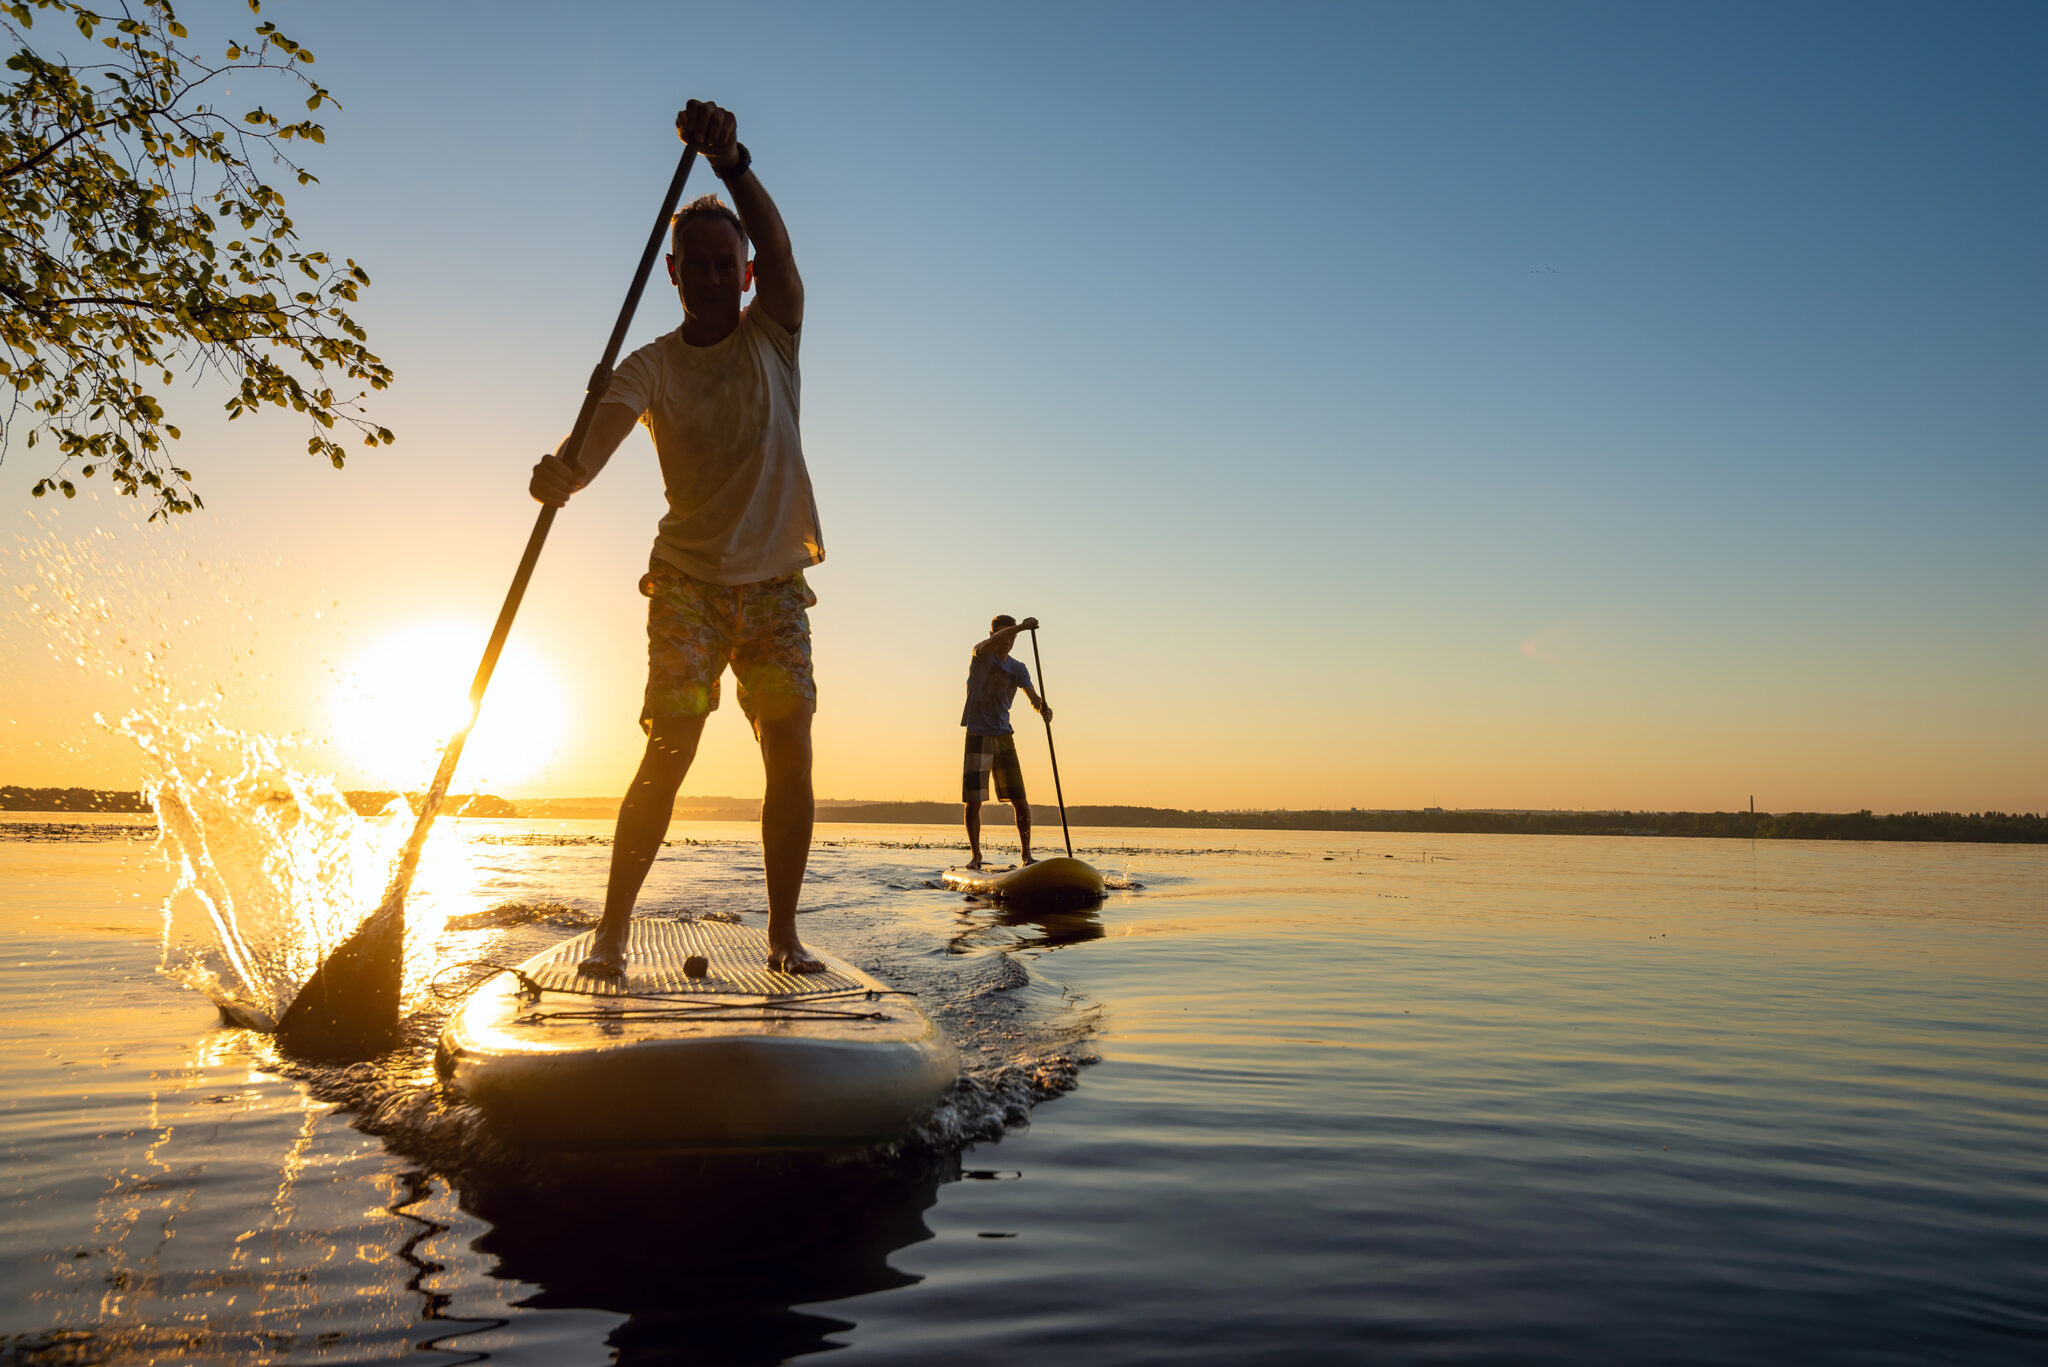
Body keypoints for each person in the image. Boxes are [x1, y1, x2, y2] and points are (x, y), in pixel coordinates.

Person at [530, 100, 824, 977]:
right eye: (691, 263)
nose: (706, 273)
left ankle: (782, 935)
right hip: (689, 583)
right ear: (671, 272)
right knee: (673, 743)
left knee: (791, 745)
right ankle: (614, 933)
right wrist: (565, 473)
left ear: (743, 274)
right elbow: (594, 444)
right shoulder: (649, 364)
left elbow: (781, 250)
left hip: (774, 583)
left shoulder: (776, 331)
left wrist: (732, 164)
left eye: (721, 262)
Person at [961, 615, 1051, 869]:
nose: (1008, 642)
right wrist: (1021, 627)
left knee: (1020, 798)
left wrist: (1043, 709)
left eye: (1013, 638)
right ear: (992, 635)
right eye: (1004, 635)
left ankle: (1026, 855)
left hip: (1003, 736)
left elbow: (1033, 697)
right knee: (974, 800)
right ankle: (976, 856)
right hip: (977, 734)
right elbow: (990, 645)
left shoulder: (1018, 668)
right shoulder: (980, 654)